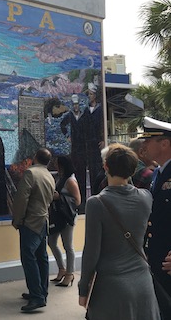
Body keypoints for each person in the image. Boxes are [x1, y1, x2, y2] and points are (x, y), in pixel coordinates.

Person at [78, 143, 159, 320]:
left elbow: (91, 251)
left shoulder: (95, 203)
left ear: (106, 166)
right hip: (143, 282)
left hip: (110, 286)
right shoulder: (146, 197)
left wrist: (83, 289)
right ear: (132, 169)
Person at [12, 148, 55, 313]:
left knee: (29, 258)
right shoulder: (49, 175)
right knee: (41, 257)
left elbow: (22, 198)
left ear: (35, 158)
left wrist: (18, 220)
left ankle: (37, 296)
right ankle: (41, 291)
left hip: (30, 222)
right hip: (43, 220)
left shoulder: (31, 173)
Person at [140, 116, 171, 319]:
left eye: (148, 140)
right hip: (157, 258)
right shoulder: (156, 174)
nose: (144, 145)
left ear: (164, 143)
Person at [47, 155, 81, 287]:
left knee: (68, 245)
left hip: (67, 216)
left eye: (57, 164)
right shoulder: (61, 178)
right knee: (51, 241)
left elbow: (77, 201)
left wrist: (59, 197)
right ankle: (62, 268)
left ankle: (70, 273)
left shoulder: (70, 181)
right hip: (58, 215)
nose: (55, 166)